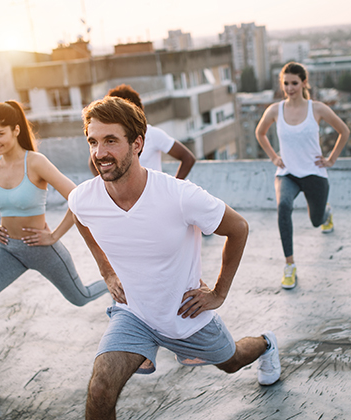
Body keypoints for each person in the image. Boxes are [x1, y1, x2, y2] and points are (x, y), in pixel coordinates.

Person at [69, 96, 281, 419]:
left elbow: (238, 228)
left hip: (186, 314)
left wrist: (219, 293)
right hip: (134, 314)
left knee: (233, 360)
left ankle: (267, 344)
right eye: (93, 141)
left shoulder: (179, 196)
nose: (99, 153)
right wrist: (106, 271)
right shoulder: (84, 198)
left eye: (110, 141)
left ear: (137, 143)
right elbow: (80, 217)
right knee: (100, 387)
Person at [0, 100, 109, 419]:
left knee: (80, 297)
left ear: (16, 130)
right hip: (8, 250)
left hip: (42, 248)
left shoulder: (37, 162)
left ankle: (117, 284)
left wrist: (54, 235)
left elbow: (77, 197)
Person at [255, 62, 350, 289]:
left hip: (314, 173)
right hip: (287, 173)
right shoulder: (275, 110)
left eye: (294, 83)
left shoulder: (317, 109)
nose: (289, 88)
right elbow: (260, 133)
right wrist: (273, 157)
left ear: (304, 83)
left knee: (316, 221)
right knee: (283, 207)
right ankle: (289, 266)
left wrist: (331, 159)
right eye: (285, 83)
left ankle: (326, 214)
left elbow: (344, 131)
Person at [87, 84, 195, 179]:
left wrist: (172, 187)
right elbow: (93, 163)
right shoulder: (103, 144)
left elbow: (188, 158)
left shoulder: (152, 134)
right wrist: (105, 185)